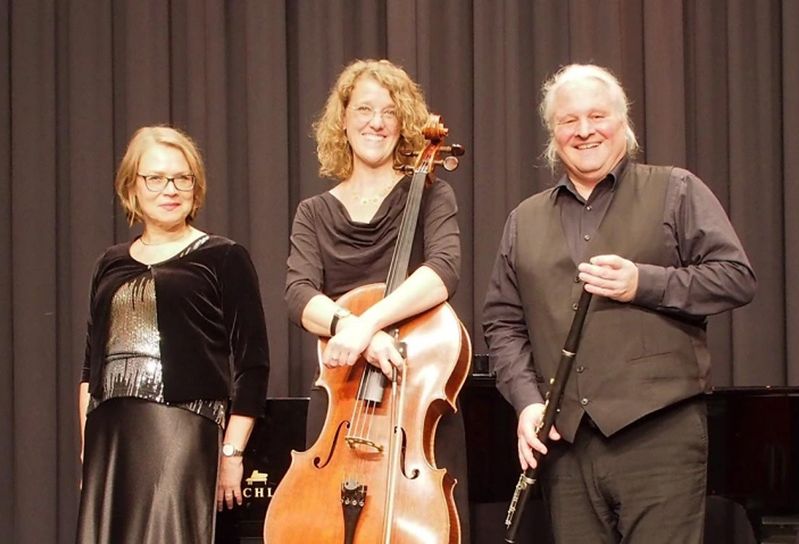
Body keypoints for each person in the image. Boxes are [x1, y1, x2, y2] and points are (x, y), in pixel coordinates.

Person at [482, 64, 756, 543]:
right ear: (553, 134)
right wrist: (527, 403)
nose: (584, 130)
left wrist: (643, 283)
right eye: (569, 120)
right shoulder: (523, 220)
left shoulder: (676, 190)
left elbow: (736, 278)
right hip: (566, 448)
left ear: (622, 122)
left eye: (597, 116)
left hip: (660, 436)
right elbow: (503, 324)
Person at [284, 59, 470, 541]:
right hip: (342, 401)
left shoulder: (431, 194)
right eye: (364, 109)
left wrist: (367, 326)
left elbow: (443, 272)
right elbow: (299, 295)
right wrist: (355, 330)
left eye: (389, 112)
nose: (376, 122)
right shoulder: (313, 212)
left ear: (403, 122)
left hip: (415, 403)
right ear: (343, 120)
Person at [76, 126, 270, 543]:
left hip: (182, 432)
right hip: (112, 438)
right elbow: (91, 368)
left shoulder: (223, 256)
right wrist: (87, 449)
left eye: (182, 178)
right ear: (132, 187)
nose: (171, 189)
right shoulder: (109, 263)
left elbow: (252, 365)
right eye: (156, 178)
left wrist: (231, 454)